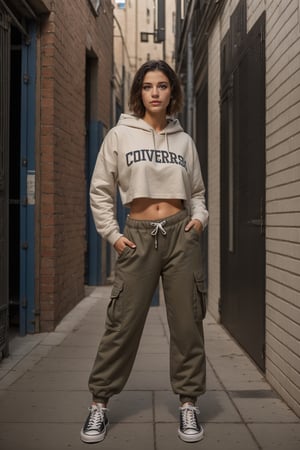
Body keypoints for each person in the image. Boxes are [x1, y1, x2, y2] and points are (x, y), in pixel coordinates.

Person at [80, 60, 209, 444]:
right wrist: (114, 235)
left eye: (163, 85)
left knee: (188, 324)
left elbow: (198, 193)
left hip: (180, 235)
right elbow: (100, 190)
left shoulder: (184, 141)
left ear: (172, 92)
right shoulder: (120, 136)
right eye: (148, 85)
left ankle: (188, 403)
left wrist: (198, 221)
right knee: (122, 324)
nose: (155, 92)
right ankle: (99, 404)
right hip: (136, 236)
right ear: (139, 91)